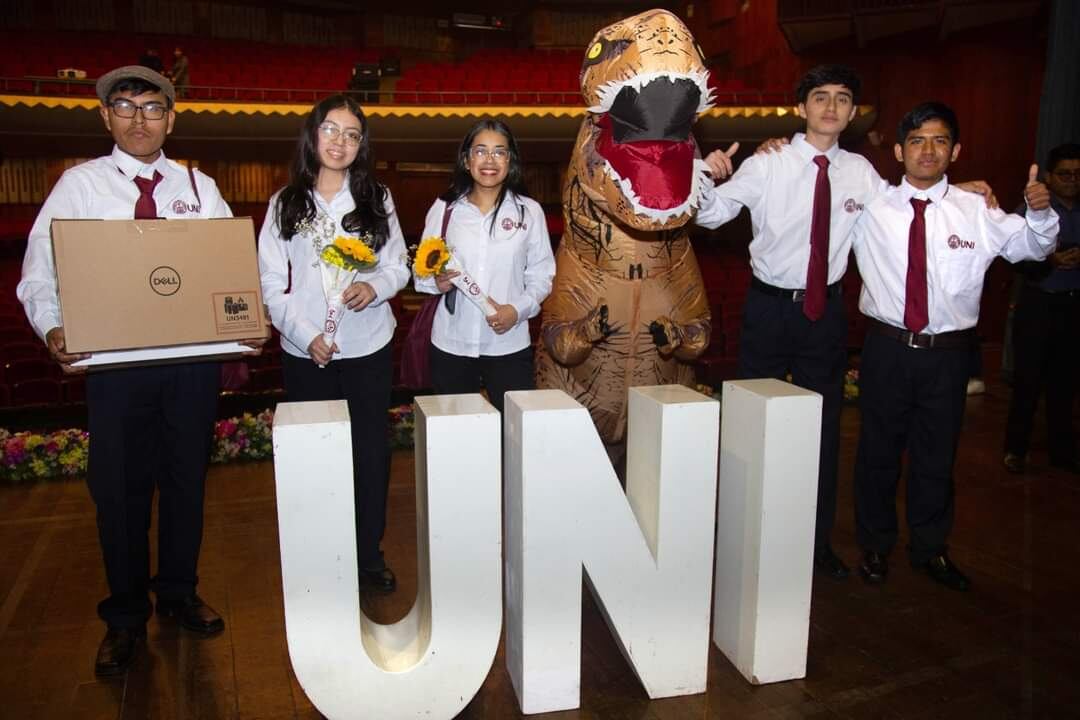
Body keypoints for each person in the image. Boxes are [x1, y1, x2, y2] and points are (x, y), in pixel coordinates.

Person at [16, 65, 262, 676]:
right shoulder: (79, 187)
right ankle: (124, 616)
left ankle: (178, 594)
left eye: (152, 109)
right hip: (117, 369)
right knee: (119, 495)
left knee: (186, 484)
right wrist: (52, 327)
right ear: (106, 117)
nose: (138, 119)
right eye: (124, 108)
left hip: (189, 365)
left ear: (170, 119)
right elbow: (37, 274)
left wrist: (244, 321)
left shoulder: (199, 187)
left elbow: (231, 268)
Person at [851, 102, 1058, 592]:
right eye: (917, 140)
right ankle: (876, 546)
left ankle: (930, 548)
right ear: (899, 150)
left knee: (936, 457)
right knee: (877, 455)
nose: (928, 150)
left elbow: (1033, 247)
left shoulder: (978, 211)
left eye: (940, 140)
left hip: (948, 355)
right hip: (886, 349)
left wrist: (1041, 212)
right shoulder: (870, 208)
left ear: (956, 151)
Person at [696, 65, 885, 581]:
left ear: (851, 112)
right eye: (820, 97)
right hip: (769, 309)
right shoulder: (769, 162)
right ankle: (740, 537)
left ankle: (815, 542)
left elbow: (907, 212)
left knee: (823, 434)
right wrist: (707, 175)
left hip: (825, 314)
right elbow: (710, 217)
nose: (830, 106)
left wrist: (965, 192)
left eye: (842, 98)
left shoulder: (862, 174)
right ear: (801, 108)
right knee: (748, 425)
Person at [258, 94, 409, 593]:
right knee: (316, 459)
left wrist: (377, 286)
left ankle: (367, 554)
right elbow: (270, 284)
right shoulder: (285, 203)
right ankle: (324, 556)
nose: (339, 141)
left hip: (367, 347)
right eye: (330, 130)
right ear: (312, 135)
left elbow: (397, 265)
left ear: (361, 145)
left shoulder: (376, 197)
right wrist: (305, 336)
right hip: (308, 356)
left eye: (351, 134)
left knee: (370, 456)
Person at [414, 119, 555, 413]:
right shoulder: (445, 208)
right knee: (456, 434)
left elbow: (542, 276)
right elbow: (421, 272)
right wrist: (435, 282)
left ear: (510, 161)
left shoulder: (529, 211)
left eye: (499, 152)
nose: (489, 160)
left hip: (508, 343)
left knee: (515, 435)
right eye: (480, 151)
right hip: (452, 342)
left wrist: (516, 310)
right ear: (466, 160)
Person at [1003, 143, 1080, 474]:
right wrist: (1050, 259)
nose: (1072, 181)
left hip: (1073, 305)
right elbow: (1015, 257)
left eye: (1078, 175)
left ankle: (1063, 451)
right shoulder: (1032, 209)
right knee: (1027, 381)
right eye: (1064, 174)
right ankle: (1015, 450)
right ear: (1049, 176)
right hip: (1038, 303)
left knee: (1065, 382)